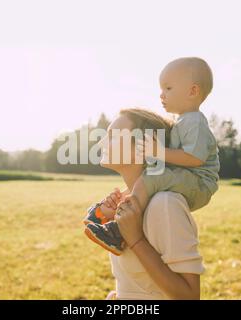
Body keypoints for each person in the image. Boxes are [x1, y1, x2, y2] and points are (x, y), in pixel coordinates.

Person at [84, 57, 220, 255]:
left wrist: (159, 152)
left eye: (168, 88)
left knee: (155, 177)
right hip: (188, 178)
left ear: (193, 91)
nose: (161, 95)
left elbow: (195, 159)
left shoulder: (195, 122)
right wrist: (104, 211)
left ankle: (118, 229)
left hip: (199, 182)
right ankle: (108, 219)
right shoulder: (183, 123)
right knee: (151, 179)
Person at [84, 109, 205, 299]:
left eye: (112, 136)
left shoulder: (165, 204)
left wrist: (136, 240)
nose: (101, 142)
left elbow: (189, 296)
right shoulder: (130, 203)